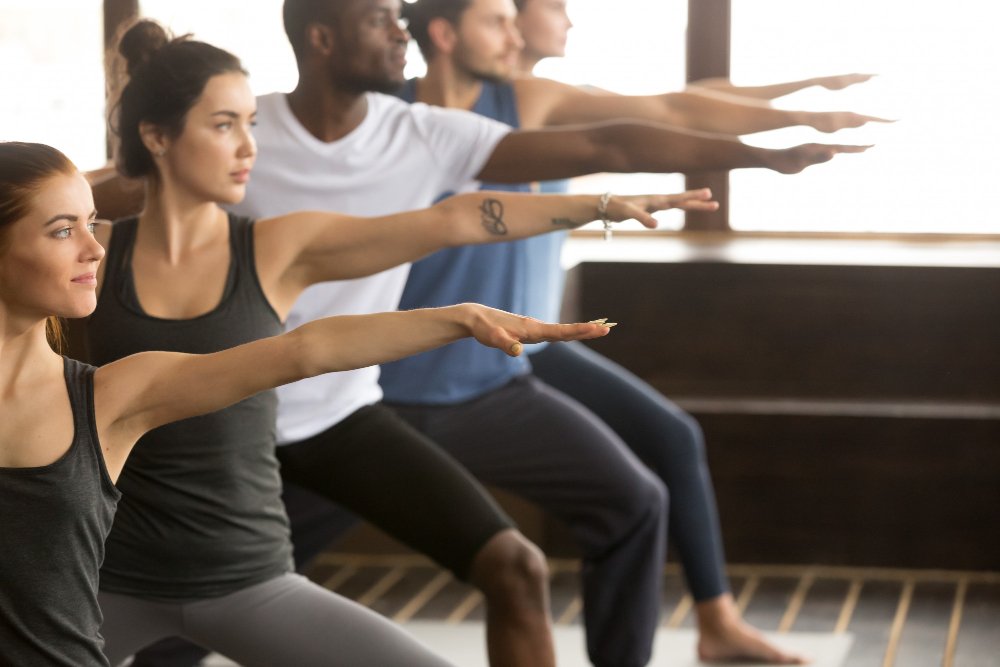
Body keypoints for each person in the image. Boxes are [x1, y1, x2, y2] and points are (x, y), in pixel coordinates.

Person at [92, 1, 870, 664]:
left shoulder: (392, 153)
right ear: (322, 37)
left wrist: (610, 203)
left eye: (248, 126)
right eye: (380, 16)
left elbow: (468, 213)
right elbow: (103, 195)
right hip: (227, 434)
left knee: (516, 562)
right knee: (177, 620)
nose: (247, 145)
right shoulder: (151, 202)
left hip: (341, 411)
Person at [388, 0, 880, 663]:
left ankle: (714, 620)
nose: (562, 20)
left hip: (516, 356)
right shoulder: (397, 117)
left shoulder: (533, 99)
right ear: (448, 33)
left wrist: (795, 112)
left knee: (656, 463)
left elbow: (678, 107)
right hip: (407, 368)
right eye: (544, 8)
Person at [0, 142, 617, 667]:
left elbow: (305, 350)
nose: (94, 248)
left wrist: (461, 318)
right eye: (63, 230)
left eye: (91, 222)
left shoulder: (111, 396)